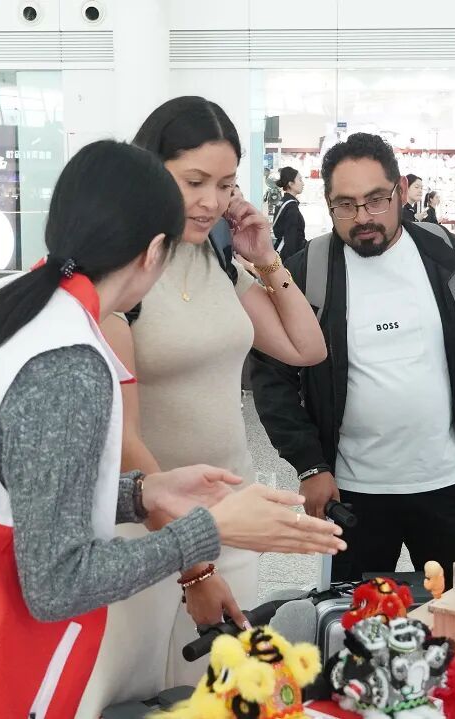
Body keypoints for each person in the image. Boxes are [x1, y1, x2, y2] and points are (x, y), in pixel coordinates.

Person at [0, 140, 345, 719]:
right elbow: (56, 583)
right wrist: (210, 531)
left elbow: (7, 482)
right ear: (153, 252)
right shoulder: (66, 359)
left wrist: (141, 493)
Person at [96, 97, 327, 696]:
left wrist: (267, 258)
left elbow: (306, 348)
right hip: (144, 529)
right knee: (136, 695)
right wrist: (192, 567)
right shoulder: (123, 274)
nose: (211, 202)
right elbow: (125, 441)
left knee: (218, 696)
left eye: (225, 185)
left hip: (232, 514)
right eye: (193, 181)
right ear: (150, 172)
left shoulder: (219, 259)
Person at [250, 132, 455, 582]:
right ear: (328, 205)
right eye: (345, 205)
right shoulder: (309, 270)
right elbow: (271, 375)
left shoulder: (447, 257)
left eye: (376, 200)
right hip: (352, 494)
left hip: (446, 481)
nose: (362, 217)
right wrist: (310, 464)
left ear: (401, 191)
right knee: (356, 615)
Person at [273, 166, 307, 260]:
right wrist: (293, 263)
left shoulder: (283, 202)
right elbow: (291, 240)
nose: (303, 184)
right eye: (300, 180)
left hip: (280, 251)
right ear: (291, 184)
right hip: (287, 256)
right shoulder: (291, 207)